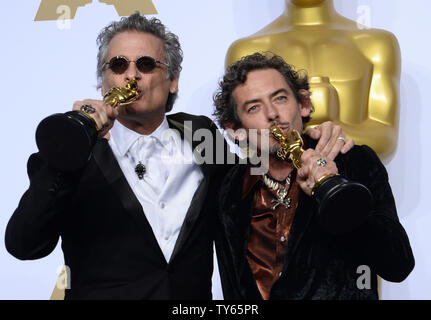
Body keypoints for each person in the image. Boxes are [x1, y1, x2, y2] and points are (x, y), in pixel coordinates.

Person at [5, 13, 351, 300]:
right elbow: (24, 244)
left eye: (145, 64)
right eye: (118, 64)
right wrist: (69, 147)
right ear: (103, 81)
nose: (131, 74)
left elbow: (256, 175)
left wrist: (314, 136)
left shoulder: (200, 134)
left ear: (172, 80)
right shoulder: (69, 155)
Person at [213, 52, 414, 300]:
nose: (272, 113)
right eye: (254, 107)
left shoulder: (352, 161)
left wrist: (338, 196)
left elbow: (398, 264)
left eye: (280, 98)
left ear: (303, 103)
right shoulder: (227, 190)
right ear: (235, 130)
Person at [225, 0, 401, 161]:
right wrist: (312, 135)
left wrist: (330, 134)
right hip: (277, 192)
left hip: (356, 188)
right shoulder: (246, 50)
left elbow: (386, 140)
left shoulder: (376, 45)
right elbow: (246, 143)